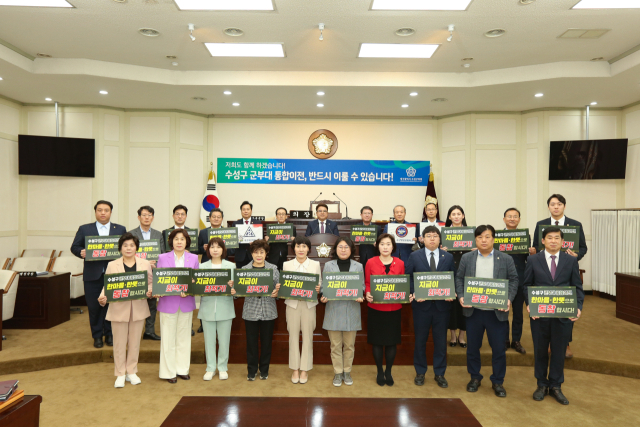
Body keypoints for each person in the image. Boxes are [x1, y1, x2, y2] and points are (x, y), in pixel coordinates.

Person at [454, 225, 519, 398]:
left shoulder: (505, 258)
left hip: (496, 312)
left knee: (498, 349)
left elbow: (514, 280)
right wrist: (461, 295)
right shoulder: (467, 258)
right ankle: (475, 377)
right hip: (473, 311)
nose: (484, 240)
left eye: (488, 236)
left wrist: (509, 298)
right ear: (475, 239)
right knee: (473, 348)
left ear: (493, 239)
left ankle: (498, 381)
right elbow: (459, 278)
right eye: (480, 237)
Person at [524, 227, 584, 405]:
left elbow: (577, 288)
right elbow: (526, 285)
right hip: (539, 315)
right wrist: (529, 305)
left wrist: (578, 307)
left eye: (556, 238)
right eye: (549, 238)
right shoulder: (533, 259)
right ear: (543, 241)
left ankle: (556, 386)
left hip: (562, 315)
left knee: (558, 351)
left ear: (562, 241)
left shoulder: (570, 261)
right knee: (540, 350)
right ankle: (541, 384)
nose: (553, 241)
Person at [531, 194, 587, 359]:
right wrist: (534, 251)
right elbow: (536, 245)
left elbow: (583, 247)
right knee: (547, 307)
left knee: (566, 307)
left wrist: (576, 255)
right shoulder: (540, 225)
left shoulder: (575, 225)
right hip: (545, 271)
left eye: (559, 204)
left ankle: (565, 342)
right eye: (553, 204)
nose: (556, 207)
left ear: (564, 206)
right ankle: (547, 342)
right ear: (548, 207)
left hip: (566, 271)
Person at [98, 233, 153, 388]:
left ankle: (132, 371)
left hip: (138, 308)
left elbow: (150, 283)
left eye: (132, 245)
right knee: (119, 343)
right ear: (120, 248)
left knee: (135, 342)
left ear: (136, 247)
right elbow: (107, 285)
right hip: (118, 308)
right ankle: (120, 373)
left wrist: (150, 291)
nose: (129, 248)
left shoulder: (144, 264)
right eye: (125, 245)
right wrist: (102, 297)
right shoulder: (112, 265)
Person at [71, 200, 127, 348]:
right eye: (100, 210)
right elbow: (74, 247)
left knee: (112, 306)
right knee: (94, 307)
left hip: (114, 274)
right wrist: (80, 252)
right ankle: (97, 336)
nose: (103, 213)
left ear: (110, 212)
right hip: (92, 275)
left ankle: (110, 335)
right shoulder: (84, 229)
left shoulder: (120, 229)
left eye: (106, 210)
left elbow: (126, 247)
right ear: (95, 212)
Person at [406, 226, 455, 389]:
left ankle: (440, 373)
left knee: (441, 342)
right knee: (420, 340)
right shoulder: (414, 256)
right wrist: (414, 292)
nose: (432, 239)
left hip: (442, 307)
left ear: (440, 239)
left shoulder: (448, 257)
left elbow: (453, 278)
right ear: (423, 239)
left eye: (435, 236)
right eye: (429, 236)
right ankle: (420, 372)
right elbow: (409, 278)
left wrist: (452, 292)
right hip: (421, 306)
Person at [232, 239, 281, 381]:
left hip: (269, 310)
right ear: (251, 254)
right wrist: (234, 290)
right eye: (255, 252)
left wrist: (277, 292)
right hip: (250, 311)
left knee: (266, 343)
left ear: (266, 254)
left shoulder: (273, 268)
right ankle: (252, 371)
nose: (258, 255)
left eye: (261, 252)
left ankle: (264, 370)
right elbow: (237, 293)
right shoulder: (244, 270)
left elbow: (279, 288)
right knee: (251, 343)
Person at [320, 237, 364, 387]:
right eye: (340, 247)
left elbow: (362, 286)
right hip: (334, 310)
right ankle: (338, 373)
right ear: (335, 249)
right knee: (335, 346)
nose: (343, 249)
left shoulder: (358, 266)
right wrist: (324, 295)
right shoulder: (328, 265)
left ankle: (347, 371)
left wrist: (360, 294)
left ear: (351, 249)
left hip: (351, 309)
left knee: (350, 345)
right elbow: (324, 287)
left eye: (346, 247)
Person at [156, 229, 199, 383]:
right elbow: (159, 280)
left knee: (183, 338)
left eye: (182, 239)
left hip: (186, 303)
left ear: (187, 242)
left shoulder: (193, 258)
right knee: (168, 338)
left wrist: (189, 291)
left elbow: (196, 281)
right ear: (171, 242)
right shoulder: (162, 258)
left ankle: (182, 369)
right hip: (168, 303)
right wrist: (159, 291)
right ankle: (168, 372)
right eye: (176, 239)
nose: (179, 242)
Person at [365, 233, 405, 386]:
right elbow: (367, 282)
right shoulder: (370, 262)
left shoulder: (400, 263)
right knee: (377, 341)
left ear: (393, 246)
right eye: (382, 244)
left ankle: (388, 371)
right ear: (377, 246)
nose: (385, 247)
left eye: (388, 244)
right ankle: (379, 371)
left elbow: (402, 283)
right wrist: (367, 293)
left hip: (394, 308)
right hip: (375, 308)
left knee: (391, 342)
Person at [282, 236, 322, 384]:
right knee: (293, 337)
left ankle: (304, 369)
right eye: (298, 246)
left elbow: (319, 283)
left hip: (309, 305)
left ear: (308, 249)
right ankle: (295, 369)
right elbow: (284, 284)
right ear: (294, 248)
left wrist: (318, 288)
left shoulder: (315, 264)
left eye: (304, 246)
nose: (301, 249)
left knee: (307, 337)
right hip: (292, 305)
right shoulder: (286, 265)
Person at [198, 237, 236, 381]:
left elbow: (236, 288)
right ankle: (210, 368)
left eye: (218, 247)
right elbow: (199, 288)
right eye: (212, 247)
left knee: (224, 340)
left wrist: (233, 288)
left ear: (223, 250)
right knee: (209, 341)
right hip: (207, 308)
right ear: (208, 250)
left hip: (225, 308)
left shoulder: (231, 266)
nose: (215, 250)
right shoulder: (202, 267)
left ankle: (222, 367)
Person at [128, 205, 164, 341]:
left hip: (153, 273)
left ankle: (149, 331)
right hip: (136, 273)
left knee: (151, 303)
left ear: (153, 218)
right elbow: (128, 253)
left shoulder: (158, 234)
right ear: (139, 217)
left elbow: (162, 254)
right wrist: (144, 263)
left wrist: (155, 264)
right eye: (144, 215)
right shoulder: (131, 234)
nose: (146, 217)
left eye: (149, 215)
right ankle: (134, 333)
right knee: (135, 304)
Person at [502, 208, 529, 354]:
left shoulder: (525, 237)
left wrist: (531, 252)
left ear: (519, 219)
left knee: (518, 312)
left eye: (515, 216)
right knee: (503, 312)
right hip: (502, 280)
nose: (512, 219)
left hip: (519, 279)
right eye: (509, 216)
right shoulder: (497, 237)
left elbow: (528, 260)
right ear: (504, 219)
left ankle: (516, 340)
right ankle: (505, 339)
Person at [444, 205, 471, 348]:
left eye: (458, 214)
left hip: (467, 272)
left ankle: (462, 335)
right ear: (449, 217)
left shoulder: (471, 233)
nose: (456, 216)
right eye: (453, 214)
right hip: (449, 271)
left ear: (463, 216)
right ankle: (453, 335)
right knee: (452, 305)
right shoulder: (444, 233)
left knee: (465, 304)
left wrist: (475, 248)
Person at [232, 201, 258, 269]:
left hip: (253, 255)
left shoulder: (257, 223)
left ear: (251, 211)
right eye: (243, 209)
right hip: (240, 256)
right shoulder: (236, 224)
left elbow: (260, 239)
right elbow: (233, 239)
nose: (246, 211)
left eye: (248, 209)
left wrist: (255, 243)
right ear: (241, 211)